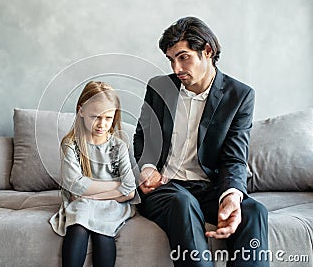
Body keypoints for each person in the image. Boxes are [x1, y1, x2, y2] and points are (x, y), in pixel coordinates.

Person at [133, 16, 269, 266]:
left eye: (183, 57)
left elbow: (234, 157)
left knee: (254, 211)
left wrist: (231, 196)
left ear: (207, 50)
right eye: (171, 60)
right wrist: (148, 168)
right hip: (166, 188)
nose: (176, 69)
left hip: (209, 188)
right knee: (182, 203)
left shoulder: (239, 95)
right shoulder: (159, 87)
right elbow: (142, 137)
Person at [50, 81, 139, 267]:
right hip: (83, 202)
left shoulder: (118, 146)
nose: (102, 124)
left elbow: (130, 191)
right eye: (95, 117)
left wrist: (90, 192)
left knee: (103, 232)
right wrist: (116, 185)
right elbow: (75, 186)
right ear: (81, 111)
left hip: (112, 204)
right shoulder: (71, 145)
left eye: (108, 118)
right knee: (78, 225)